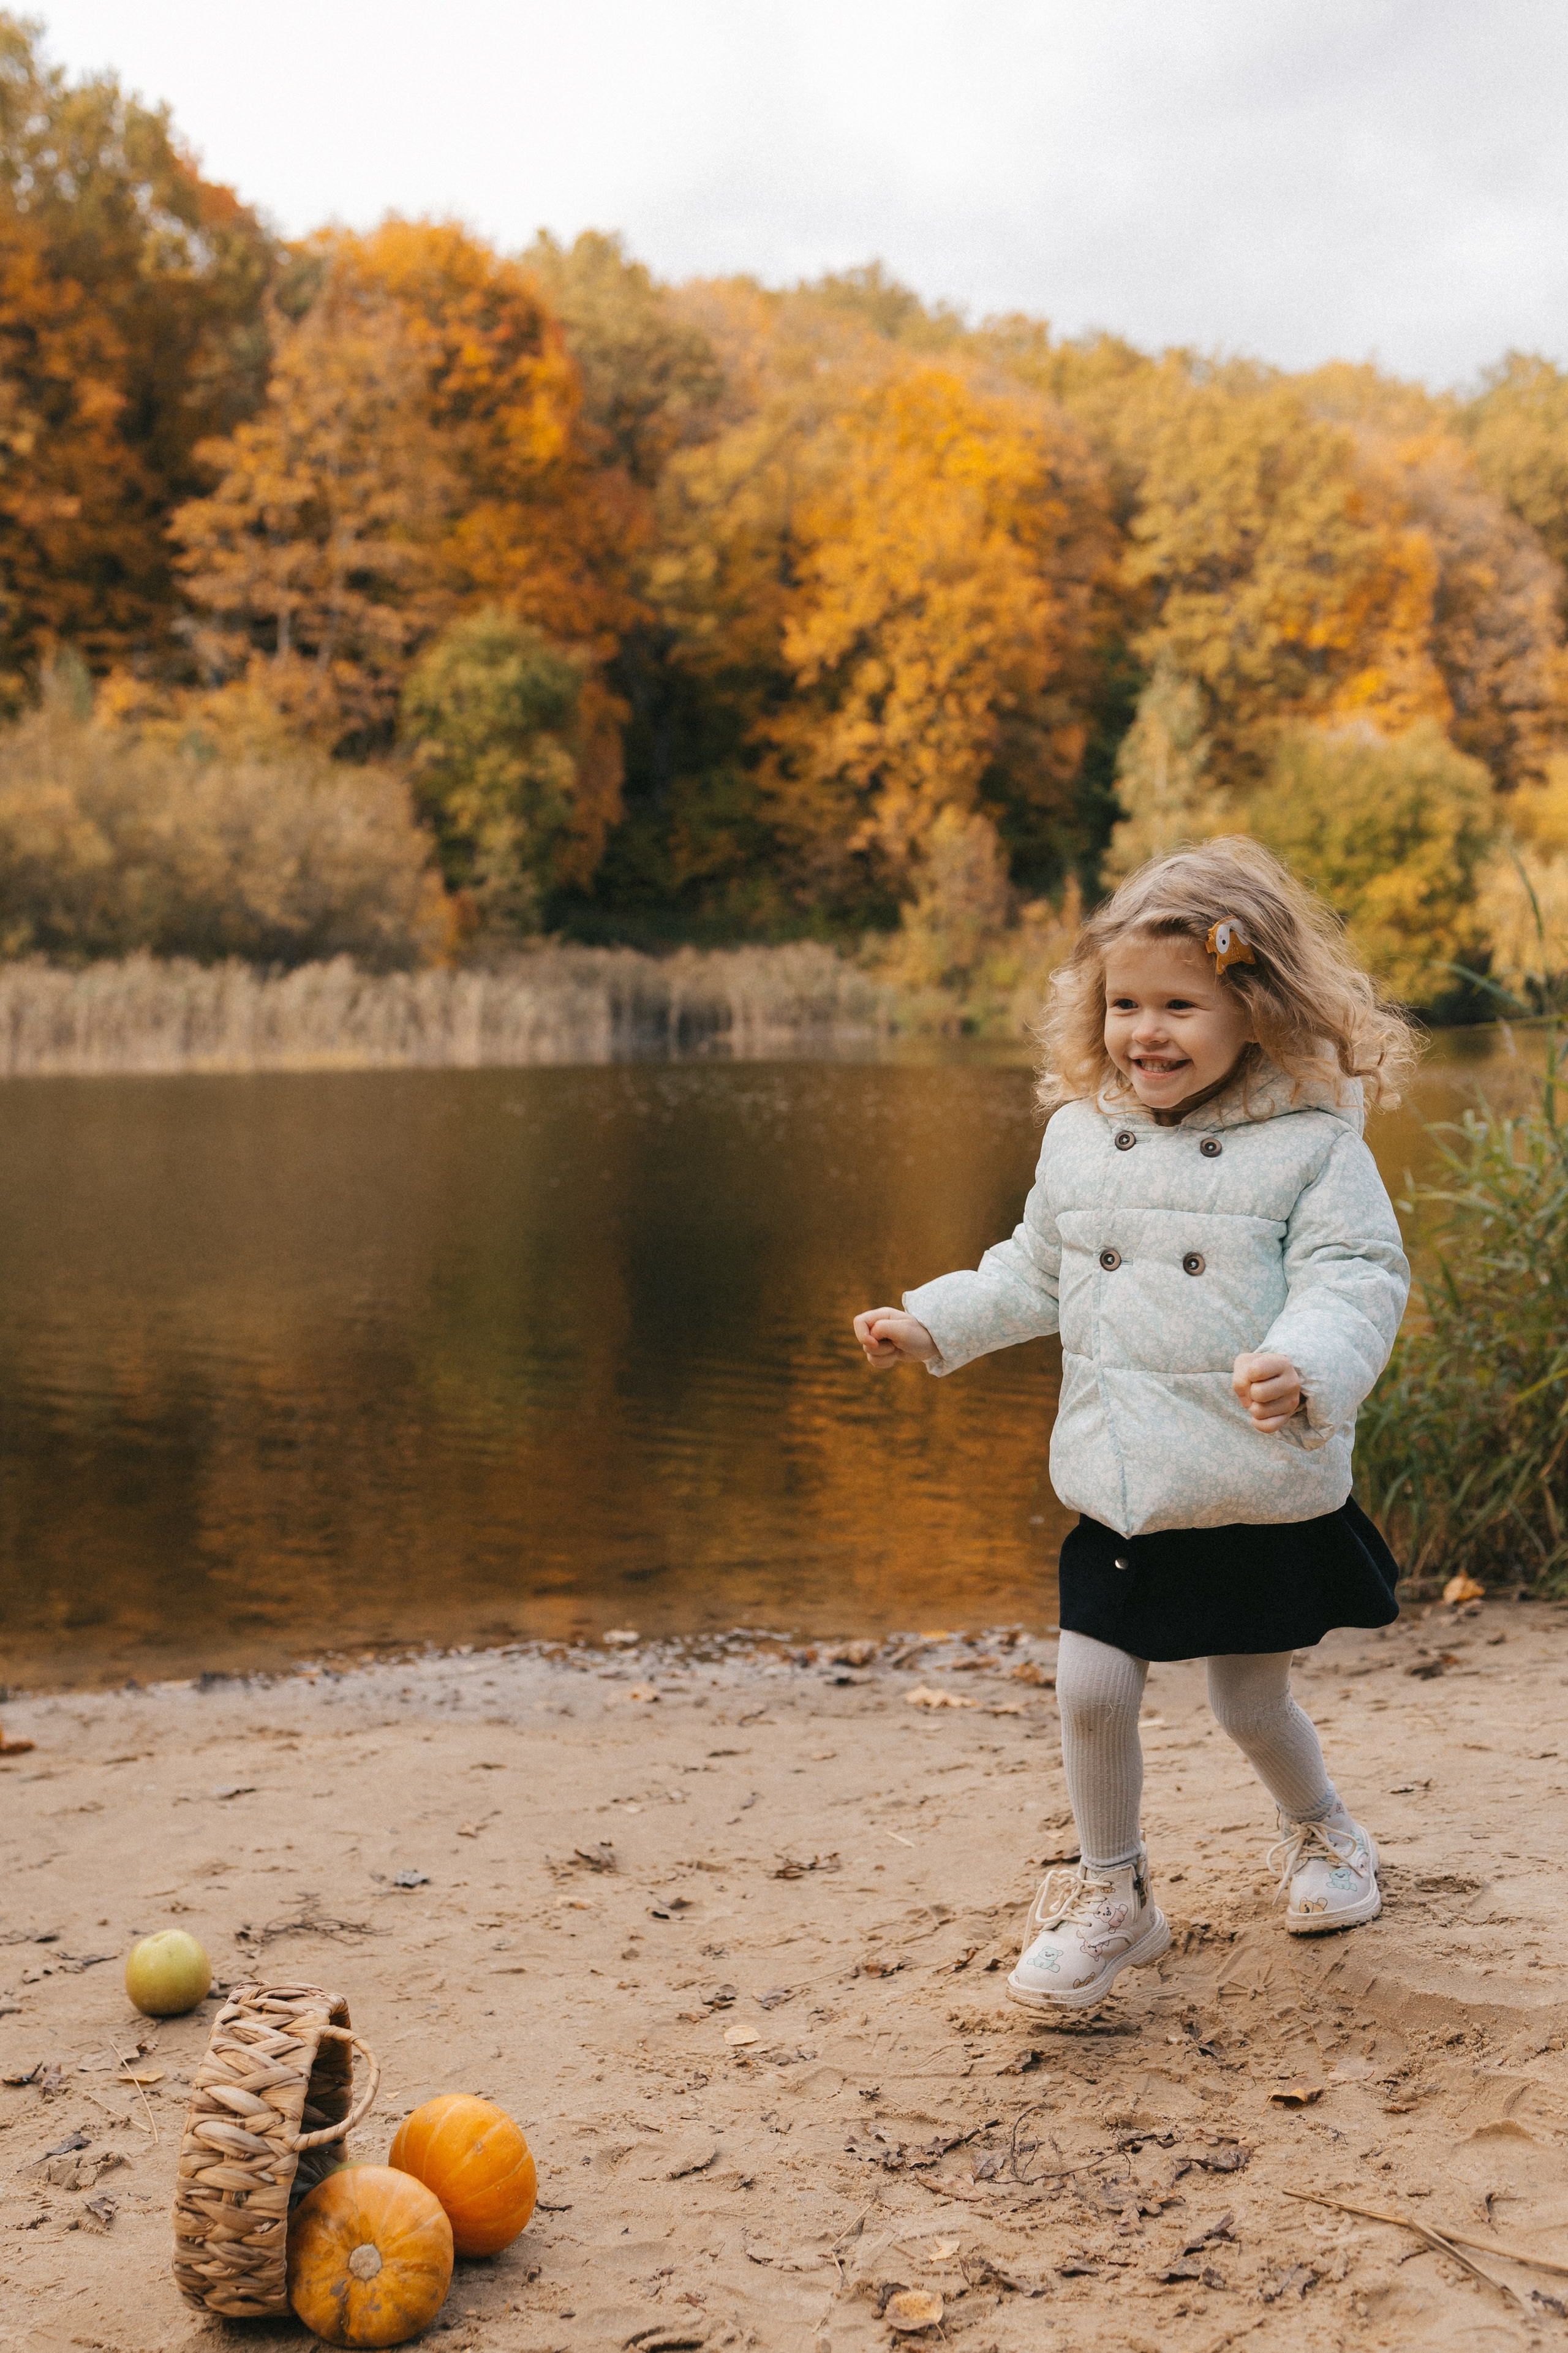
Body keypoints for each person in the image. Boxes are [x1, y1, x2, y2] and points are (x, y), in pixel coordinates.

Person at [853, 838, 1413, 2012]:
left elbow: (1354, 1277)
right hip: (1120, 1475)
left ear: (1254, 1009)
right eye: (1122, 1004)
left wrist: (1303, 1366)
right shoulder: (1080, 1137)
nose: (1144, 1032)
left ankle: (1325, 1836)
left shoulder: (1314, 1144)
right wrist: (932, 1322)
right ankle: (1116, 1896)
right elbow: (1035, 1270)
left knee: (1248, 1702)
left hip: (1251, 1475)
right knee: (1093, 1686)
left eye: (1179, 1004)